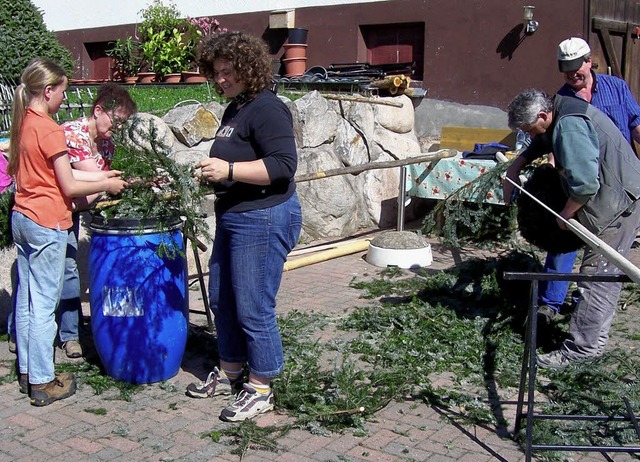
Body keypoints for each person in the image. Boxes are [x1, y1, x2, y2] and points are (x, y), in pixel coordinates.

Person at [185, 31, 302, 421]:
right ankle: (233, 371)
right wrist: (212, 172)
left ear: (248, 67)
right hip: (234, 214)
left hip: (264, 216)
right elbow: (234, 157)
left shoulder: (268, 108)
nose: (221, 79)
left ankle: (261, 387)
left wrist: (229, 169)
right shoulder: (236, 108)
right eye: (215, 72)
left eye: (227, 71)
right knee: (222, 299)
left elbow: (284, 165)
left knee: (253, 306)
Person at [8, 58, 127, 405]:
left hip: (23, 217)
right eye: (62, 92)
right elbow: (70, 184)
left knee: (29, 304)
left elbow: (56, 174)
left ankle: (29, 371)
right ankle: (44, 382)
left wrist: (108, 175)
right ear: (48, 91)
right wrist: (106, 181)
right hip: (47, 223)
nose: (64, 98)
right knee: (45, 306)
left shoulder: (24, 122)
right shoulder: (50, 128)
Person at [503, 89, 640, 369]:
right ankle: (592, 343)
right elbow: (541, 140)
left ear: (543, 114)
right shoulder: (559, 110)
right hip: (616, 196)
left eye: (529, 129)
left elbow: (586, 184)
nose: (530, 135)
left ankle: (580, 351)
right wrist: (515, 168)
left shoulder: (570, 126)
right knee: (600, 277)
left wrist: (566, 214)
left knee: (596, 279)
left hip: (618, 205)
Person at [535, 37, 640, 324]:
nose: (572, 74)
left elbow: (635, 125)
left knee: (604, 248)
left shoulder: (616, 87)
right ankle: (550, 303)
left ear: (588, 61)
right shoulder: (562, 99)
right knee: (566, 236)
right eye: (565, 68)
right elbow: (553, 141)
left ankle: (588, 305)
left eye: (576, 67)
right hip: (582, 182)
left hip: (615, 183)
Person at [56, 82, 137, 358]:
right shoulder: (73, 134)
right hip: (55, 207)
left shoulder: (106, 143)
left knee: (66, 268)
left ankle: (70, 331)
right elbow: (98, 181)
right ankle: (70, 335)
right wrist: (118, 183)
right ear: (98, 110)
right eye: (116, 120)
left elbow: (105, 181)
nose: (119, 127)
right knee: (65, 269)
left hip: (75, 207)